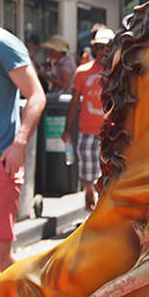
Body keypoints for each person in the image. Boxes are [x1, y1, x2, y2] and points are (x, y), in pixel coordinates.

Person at [0, 25, 46, 272]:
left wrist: (20, 142)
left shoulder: (3, 43)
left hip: (0, 160)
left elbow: (36, 95)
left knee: (2, 258)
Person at [61, 28, 114, 212]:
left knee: (109, 172)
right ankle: (89, 192)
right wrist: (67, 130)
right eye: (99, 47)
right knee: (86, 171)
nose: (103, 51)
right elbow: (74, 103)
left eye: (107, 46)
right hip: (87, 130)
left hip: (111, 132)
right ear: (94, 49)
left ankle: (101, 208)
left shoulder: (117, 72)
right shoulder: (82, 72)